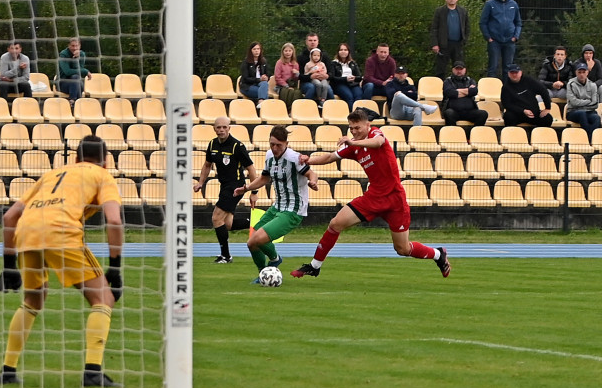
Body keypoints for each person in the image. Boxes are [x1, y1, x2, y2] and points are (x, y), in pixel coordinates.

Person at [0, 135, 123, 388]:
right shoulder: (102, 175)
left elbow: (9, 217)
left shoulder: (52, 174)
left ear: (75, 158)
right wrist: (115, 266)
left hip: (28, 231)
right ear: (105, 162)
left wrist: (8, 265)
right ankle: (93, 371)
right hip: (61, 232)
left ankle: (7, 370)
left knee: (33, 299)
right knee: (103, 299)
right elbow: (115, 221)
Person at [291, 108, 451, 279]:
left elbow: (378, 142)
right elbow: (330, 157)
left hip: (395, 200)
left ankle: (438, 254)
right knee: (335, 224)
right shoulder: (354, 146)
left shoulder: (374, 134)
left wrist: (353, 143)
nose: (353, 131)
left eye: (357, 127)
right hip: (373, 197)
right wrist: (309, 160)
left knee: (402, 249)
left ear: (368, 125)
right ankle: (314, 266)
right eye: (351, 128)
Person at [232, 125, 318, 283]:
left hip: (293, 210)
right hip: (278, 206)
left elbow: (311, 172)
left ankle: (273, 260)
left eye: (278, 145)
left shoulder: (294, 158)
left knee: (258, 239)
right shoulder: (269, 156)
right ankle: (264, 272)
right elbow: (264, 178)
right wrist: (246, 188)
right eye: (272, 144)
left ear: (286, 143)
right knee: (251, 242)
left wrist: (312, 181)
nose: (275, 148)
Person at [193, 116, 259, 264]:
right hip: (225, 186)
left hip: (236, 186)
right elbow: (207, 165)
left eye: (224, 127)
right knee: (227, 224)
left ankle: (226, 256)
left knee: (216, 218)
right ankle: (256, 223)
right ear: (214, 129)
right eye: (218, 127)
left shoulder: (237, 146)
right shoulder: (212, 144)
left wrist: (254, 192)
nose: (221, 130)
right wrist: (200, 182)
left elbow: (251, 169)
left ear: (229, 128)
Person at [480, 0, 522, 78]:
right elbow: (483, 22)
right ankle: (491, 90)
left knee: (508, 68)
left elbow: (518, 22)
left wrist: (516, 36)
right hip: (494, 41)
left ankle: (506, 91)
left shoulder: (513, 4)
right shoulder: (490, 4)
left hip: (509, 41)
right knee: (493, 67)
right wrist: (488, 38)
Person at [430, 0, 470, 77]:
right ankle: (439, 88)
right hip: (444, 44)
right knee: (441, 69)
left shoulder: (463, 11)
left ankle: (458, 88)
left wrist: (465, 39)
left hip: (458, 44)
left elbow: (467, 27)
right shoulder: (440, 11)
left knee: (459, 68)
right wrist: (435, 44)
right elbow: (434, 28)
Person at [500, 63, 553, 128]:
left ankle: (538, 136)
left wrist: (547, 108)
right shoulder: (506, 87)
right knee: (508, 117)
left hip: (533, 113)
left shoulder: (529, 81)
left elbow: (543, 91)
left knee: (547, 118)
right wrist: (523, 111)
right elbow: (506, 104)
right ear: (508, 74)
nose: (514, 75)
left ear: (521, 73)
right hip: (517, 114)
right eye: (512, 73)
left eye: (516, 72)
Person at [441, 61, 488, 126]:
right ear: (453, 70)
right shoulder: (447, 81)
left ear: (465, 70)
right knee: (448, 113)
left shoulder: (470, 80)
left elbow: (474, 91)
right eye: (457, 69)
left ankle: (472, 133)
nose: (459, 71)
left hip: (469, 111)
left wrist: (457, 91)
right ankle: (453, 134)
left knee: (483, 114)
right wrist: (467, 91)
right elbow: (450, 93)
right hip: (454, 111)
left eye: (461, 69)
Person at [563, 62, 600, 138]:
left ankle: (592, 138)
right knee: (581, 113)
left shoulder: (593, 85)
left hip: (589, 111)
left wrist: (583, 104)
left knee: (597, 118)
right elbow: (574, 102)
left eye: (584, 72)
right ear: (576, 73)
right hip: (573, 112)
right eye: (579, 72)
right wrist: (588, 101)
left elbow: (595, 103)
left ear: (587, 72)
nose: (581, 74)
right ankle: (588, 137)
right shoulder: (571, 84)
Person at [297, 32, 331, 101]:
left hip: (323, 81)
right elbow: (299, 75)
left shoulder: (324, 56)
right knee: (311, 87)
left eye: (315, 40)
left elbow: (331, 72)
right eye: (310, 40)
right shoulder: (301, 57)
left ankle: (329, 109)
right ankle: (306, 107)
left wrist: (327, 76)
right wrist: (310, 76)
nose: (312, 42)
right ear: (306, 42)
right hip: (306, 82)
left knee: (329, 90)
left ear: (318, 42)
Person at [57, 37, 92, 102]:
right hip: (63, 82)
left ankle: (72, 101)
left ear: (80, 46)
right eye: (72, 46)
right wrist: (85, 71)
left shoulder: (82, 54)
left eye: (77, 46)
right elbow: (67, 72)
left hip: (76, 82)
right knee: (76, 79)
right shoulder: (63, 54)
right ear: (69, 46)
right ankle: (76, 104)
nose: (75, 48)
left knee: (76, 78)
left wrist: (76, 58)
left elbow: (79, 71)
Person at [329, 43, 363, 109]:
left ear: (348, 52)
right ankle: (352, 116)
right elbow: (332, 78)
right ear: (338, 52)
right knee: (349, 97)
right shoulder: (334, 63)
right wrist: (345, 79)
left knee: (358, 96)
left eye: (345, 50)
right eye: (341, 50)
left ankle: (359, 115)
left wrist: (354, 78)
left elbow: (359, 77)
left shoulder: (352, 63)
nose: (343, 51)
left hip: (353, 84)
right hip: (339, 84)